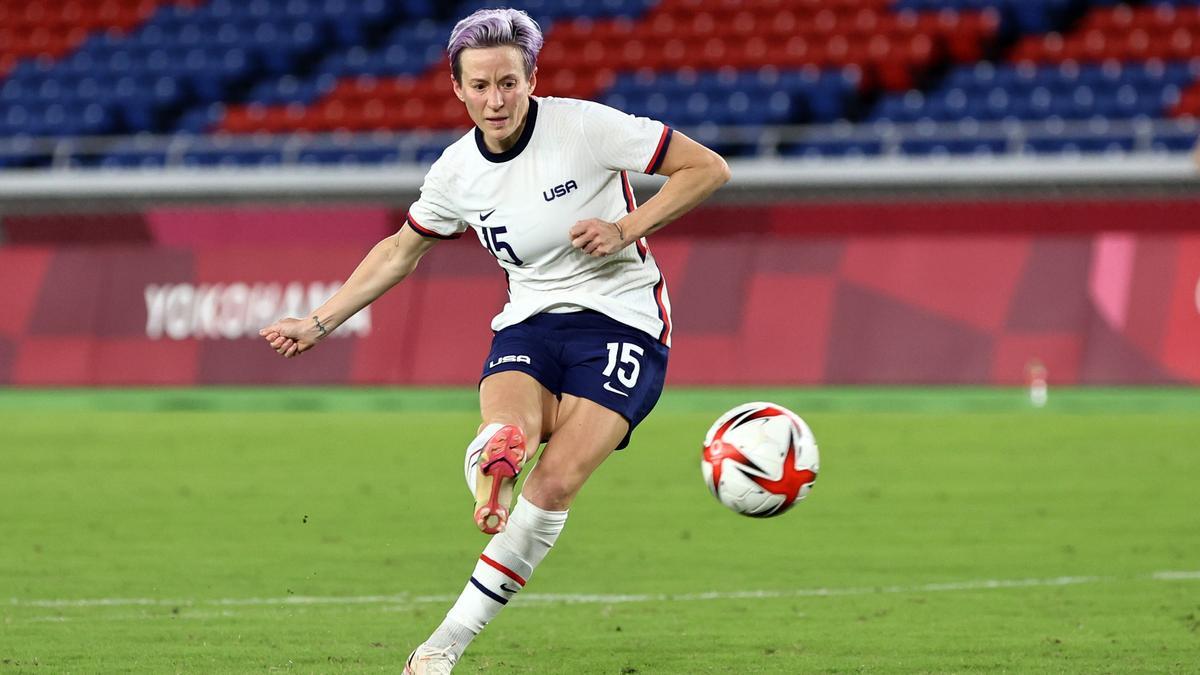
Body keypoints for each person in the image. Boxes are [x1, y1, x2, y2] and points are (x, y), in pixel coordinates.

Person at [259, 7, 730, 673]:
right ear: (457, 89)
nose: (495, 99)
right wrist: (319, 321)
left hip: (623, 321)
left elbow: (706, 168)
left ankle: (444, 640)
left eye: (508, 82)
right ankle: (495, 461)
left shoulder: (585, 127)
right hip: (529, 324)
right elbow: (401, 250)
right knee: (509, 423)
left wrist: (625, 229)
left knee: (559, 478)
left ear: (532, 77)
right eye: (479, 86)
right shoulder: (457, 172)